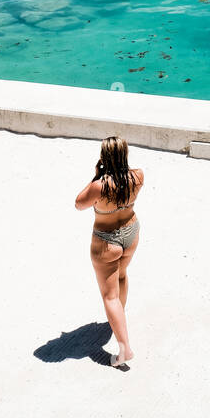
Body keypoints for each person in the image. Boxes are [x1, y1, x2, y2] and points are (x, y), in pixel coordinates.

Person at [75, 137, 143, 367]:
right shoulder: (138, 176)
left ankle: (125, 349)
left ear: (104, 157)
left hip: (107, 240)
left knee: (109, 295)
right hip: (131, 231)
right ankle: (119, 319)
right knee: (122, 275)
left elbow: (79, 204)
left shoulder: (99, 186)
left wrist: (96, 176)